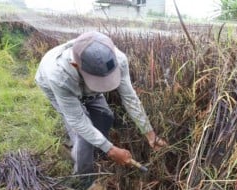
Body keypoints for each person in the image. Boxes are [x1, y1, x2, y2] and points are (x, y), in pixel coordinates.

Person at [35, 31, 167, 176]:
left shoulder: (118, 60)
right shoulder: (59, 76)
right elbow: (78, 121)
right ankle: (83, 176)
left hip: (85, 84)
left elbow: (130, 99)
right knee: (83, 135)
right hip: (55, 85)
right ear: (75, 65)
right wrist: (111, 150)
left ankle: (96, 150)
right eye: (99, 82)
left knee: (105, 116)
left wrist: (150, 134)